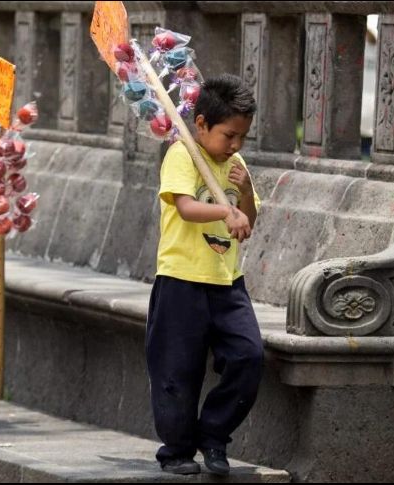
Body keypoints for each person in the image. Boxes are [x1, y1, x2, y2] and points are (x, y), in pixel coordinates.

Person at [146, 73, 264, 476]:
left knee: (249, 355)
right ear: (200, 124)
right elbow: (186, 207)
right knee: (177, 370)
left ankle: (214, 435)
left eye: (242, 137)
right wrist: (224, 211)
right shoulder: (182, 154)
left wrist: (244, 193)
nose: (235, 145)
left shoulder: (236, 165)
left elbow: (249, 216)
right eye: (229, 135)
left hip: (227, 281)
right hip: (181, 278)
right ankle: (177, 450)